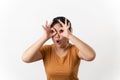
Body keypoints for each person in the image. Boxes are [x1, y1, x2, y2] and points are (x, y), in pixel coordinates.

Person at [22, 16, 96, 80]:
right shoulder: (47, 50)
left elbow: (91, 56)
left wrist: (70, 35)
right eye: (53, 31)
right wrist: (44, 37)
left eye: (61, 31)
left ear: (69, 31)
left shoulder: (75, 50)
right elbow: (25, 58)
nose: (57, 35)